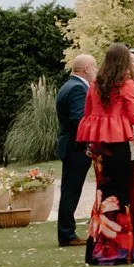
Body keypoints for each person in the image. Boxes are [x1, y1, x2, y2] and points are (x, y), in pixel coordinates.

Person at [76, 42, 134, 265]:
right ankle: (119, 251)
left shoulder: (96, 82)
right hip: (116, 143)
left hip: (98, 142)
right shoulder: (124, 83)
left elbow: (87, 112)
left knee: (102, 194)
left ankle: (96, 250)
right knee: (120, 194)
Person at [55, 54, 95, 246]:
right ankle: (66, 234)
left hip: (70, 144)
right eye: (94, 67)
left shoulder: (69, 85)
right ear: (86, 69)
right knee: (71, 190)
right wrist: (90, 141)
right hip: (75, 147)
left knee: (70, 189)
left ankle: (66, 231)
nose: (96, 71)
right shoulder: (78, 88)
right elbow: (80, 120)